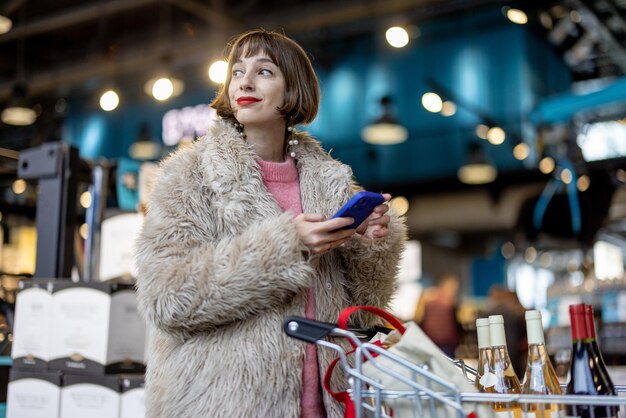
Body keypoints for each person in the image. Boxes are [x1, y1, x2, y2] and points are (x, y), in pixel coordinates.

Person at [135, 29, 407, 418]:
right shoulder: (189, 177)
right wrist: (285, 248)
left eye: (264, 72)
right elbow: (165, 299)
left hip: (328, 401)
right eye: (237, 71)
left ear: (292, 88)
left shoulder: (331, 182)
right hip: (224, 404)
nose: (244, 81)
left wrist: (372, 246)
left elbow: (363, 313)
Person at [413, 274, 462, 357]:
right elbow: (456, 322)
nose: (454, 291)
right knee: (446, 365)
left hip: (430, 339)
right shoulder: (449, 301)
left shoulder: (428, 299)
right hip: (446, 342)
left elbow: (418, 319)